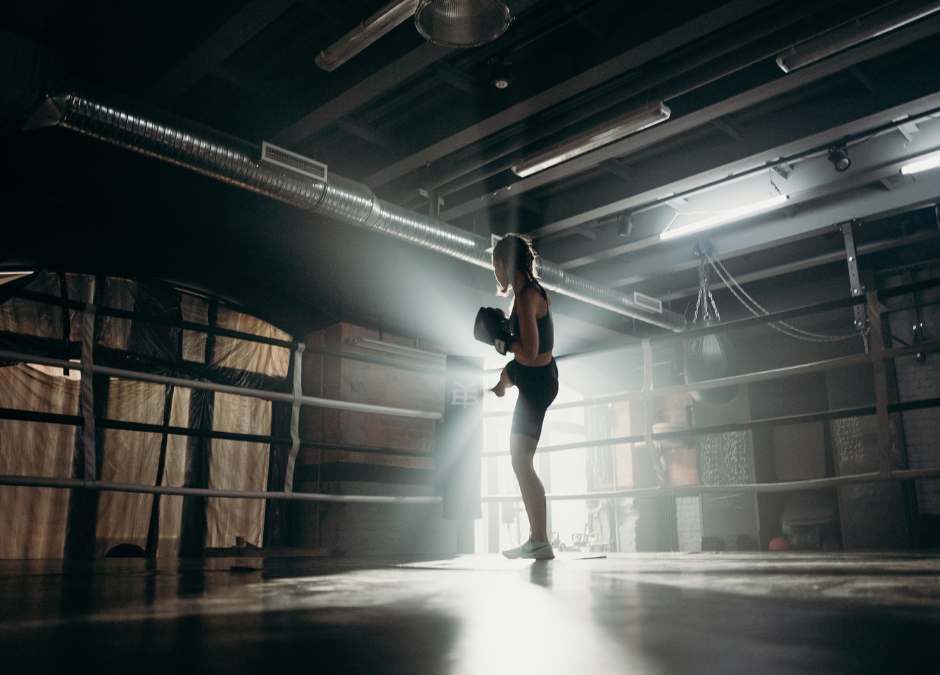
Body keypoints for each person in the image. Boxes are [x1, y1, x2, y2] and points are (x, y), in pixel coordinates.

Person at [477, 234, 558, 560]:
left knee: (520, 460)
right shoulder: (528, 294)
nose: (495, 273)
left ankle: (539, 541)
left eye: (495, 265)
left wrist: (501, 342)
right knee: (521, 459)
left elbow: (529, 352)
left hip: (536, 380)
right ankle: (538, 540)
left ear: (503, 263)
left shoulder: (526, 298)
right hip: (535, 378)